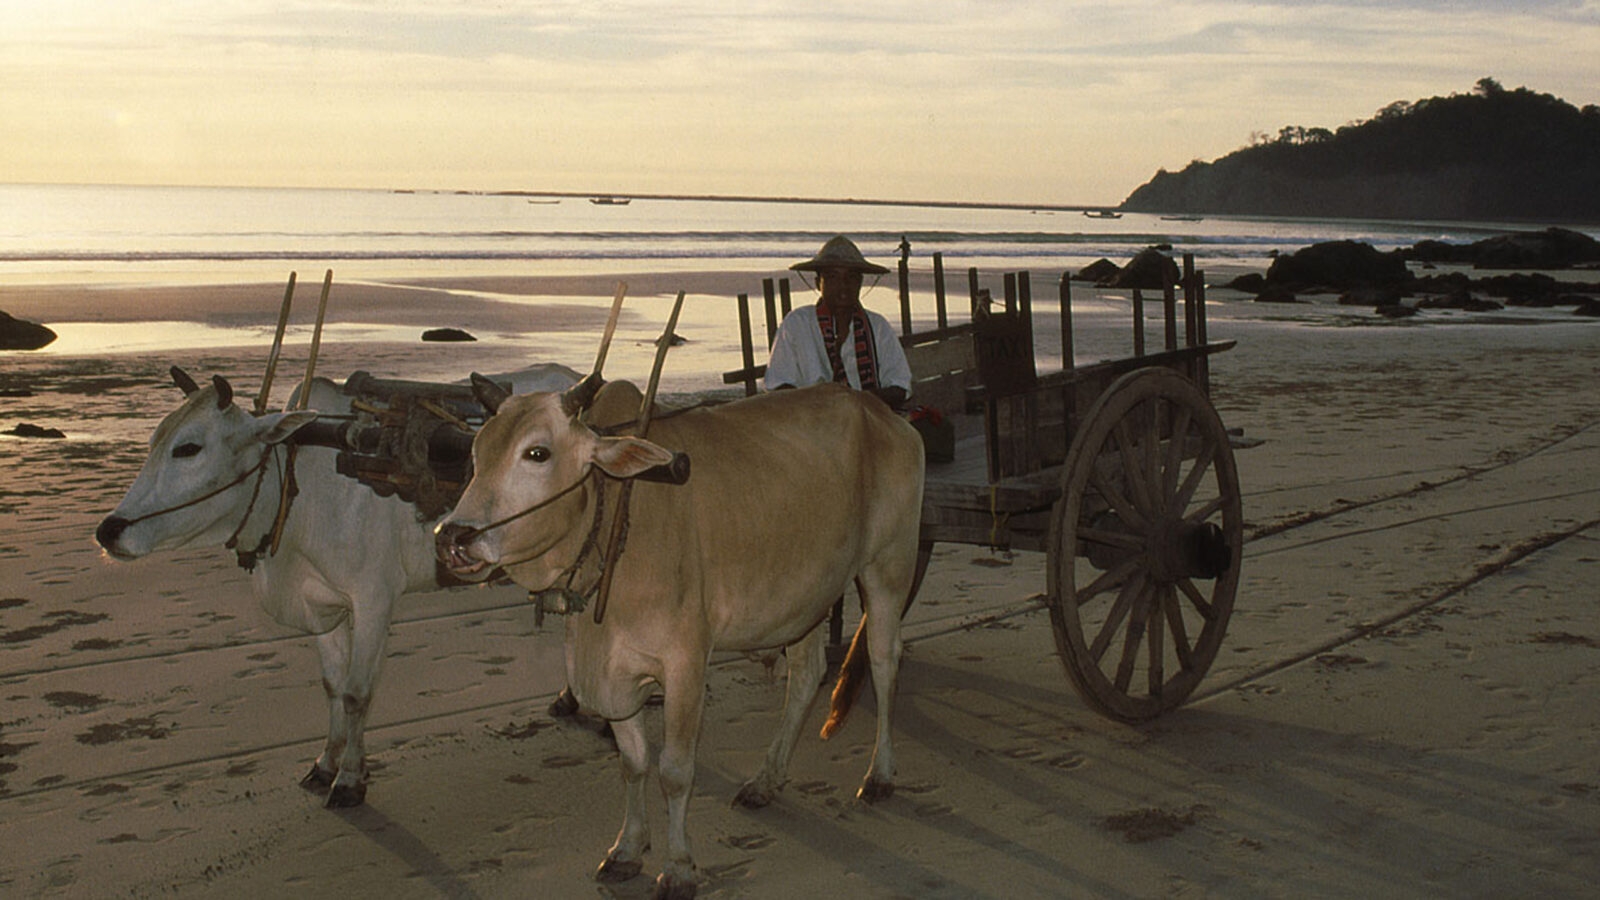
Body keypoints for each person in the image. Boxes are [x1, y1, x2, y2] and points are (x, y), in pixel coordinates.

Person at [765, 235, 912, 408]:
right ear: (818, 283)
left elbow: (900, 387)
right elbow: (778, 385)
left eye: (852, 277)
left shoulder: (878, 326)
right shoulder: (797, 324)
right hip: (810, 419)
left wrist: (852, 401)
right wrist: (825, 405)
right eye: (833, 277)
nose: (843, 285)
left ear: (860, 283)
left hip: (868, 416)